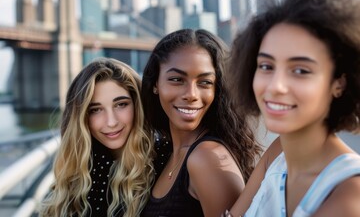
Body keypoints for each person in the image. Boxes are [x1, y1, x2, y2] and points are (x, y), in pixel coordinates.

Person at [225, 0, 360, 217]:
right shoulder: (277, 154)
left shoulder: (350, 195)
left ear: (339, 82)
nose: (276, 86)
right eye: (266, 66)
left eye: (300, 70)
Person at [140, 28, 261, 217]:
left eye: (204, 82)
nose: (191, 95)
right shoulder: (165, 153)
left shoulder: (206, 158)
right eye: (176, 79)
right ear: (155, 83)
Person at [40, 58, 154, 217]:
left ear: (137, 105)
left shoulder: (164, 162)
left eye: (121, 104)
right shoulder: (80, 172)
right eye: (95, 110)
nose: (111, 122)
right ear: (81, 117)